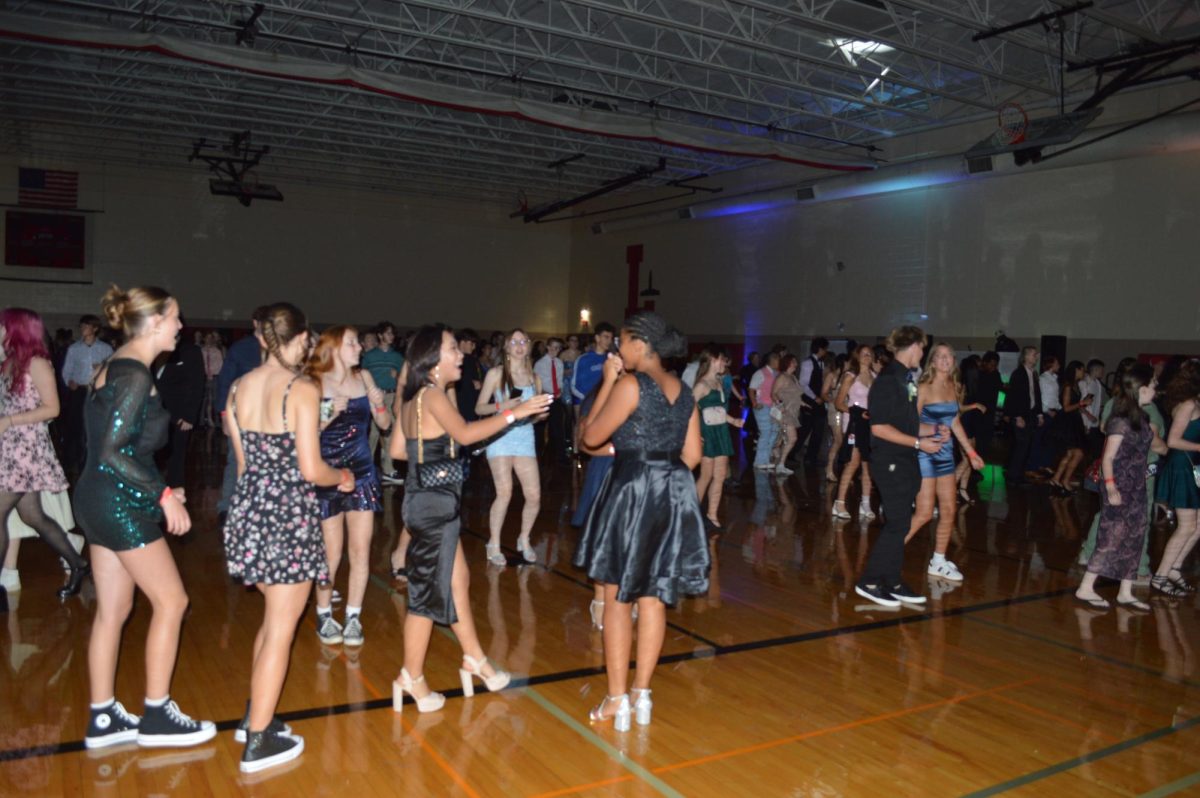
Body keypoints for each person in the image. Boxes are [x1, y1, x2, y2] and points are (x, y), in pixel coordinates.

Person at [73, 285, 216, 750]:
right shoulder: (133, 374)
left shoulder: (115, 367)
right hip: (119, 499)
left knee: (114, 610)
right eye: (175, 318)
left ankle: (102, 717)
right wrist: (163, 496)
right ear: (154, 322)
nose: (181, 326)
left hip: (100, 495)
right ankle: (157, 714)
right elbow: (114, 451)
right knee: (172, 602)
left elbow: (113, 447)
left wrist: (157, 486)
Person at [389, 325, 551, 713]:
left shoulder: (416, 398)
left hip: (427, 502)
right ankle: (410, 677)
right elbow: (464, 435)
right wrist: (515, 412)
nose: (460, 354)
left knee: (458, 580)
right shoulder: (431, 394)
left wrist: (429, 450)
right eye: (451, 349)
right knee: (427, 596)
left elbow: (397, 449)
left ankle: (474, 658)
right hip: (433, 506)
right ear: (432, 359)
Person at [224, 302, 352, 772]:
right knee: (282, 628)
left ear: (262, 338)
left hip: (249, 512)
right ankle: (258, 742)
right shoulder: (300, 388)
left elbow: (243, 466)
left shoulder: (238, 388)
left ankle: (254, 716)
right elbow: (310, 469)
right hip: (286, 518)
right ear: (299, 339)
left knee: (272, 620)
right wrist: (341, 476)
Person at [574, 311, 706, 731]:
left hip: (632, 492)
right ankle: (642, 695)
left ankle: (617, 701)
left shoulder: (631, 384)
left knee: (618, 599)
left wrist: (610, 382)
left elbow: (590, 437)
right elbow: (694, 456)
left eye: (624, 342)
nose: (619, 349)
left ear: (641, 345)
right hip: (672, 492)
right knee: (653, 597)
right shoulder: (684, 391)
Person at [0, 308, 90, 605]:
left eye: (3, 325)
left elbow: (53, 409)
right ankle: (77, 563)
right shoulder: (9, 362)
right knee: (32, 515)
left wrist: (9, 421)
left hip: (25, 449)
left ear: (17, 329)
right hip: (10, 448)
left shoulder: (37, 364)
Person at [306, 326, 389, 646]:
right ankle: (325, 613)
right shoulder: (316, 382)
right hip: (328, 474)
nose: (359, 347)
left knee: (360, 550)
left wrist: (379, 404)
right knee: (332, 552)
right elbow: (307, 433)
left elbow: (384, 425)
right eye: (352, 343)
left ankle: (353, 616)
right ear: (335, 348)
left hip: (363, 472)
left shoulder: (365, 377)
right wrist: (330, 410)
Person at [854, 326, 948, 608]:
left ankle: (892, 581)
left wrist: (932, 430)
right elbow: (880, 428)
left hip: (905, 460)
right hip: (890, 462)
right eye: (923, 347)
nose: (924, 352)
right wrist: (920, 444)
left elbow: (906, 425)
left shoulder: (905, 379)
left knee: (901, 522)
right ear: (914, 346)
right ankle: (869, 581)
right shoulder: (888, 380)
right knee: (897, 523)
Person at [1075, 365, 1167, 610]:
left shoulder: (1143, 418)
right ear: (1143, 388)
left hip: (1137, 484)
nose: (1156, 389)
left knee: (1135, 537)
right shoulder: (1121, 421)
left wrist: (1165, 445)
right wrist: (1111, 487)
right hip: (1119, 485)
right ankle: (1086, 587)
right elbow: (1107, 458)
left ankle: (1125, 591)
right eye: (1153, 385)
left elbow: (1158, 446)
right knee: (1111, 537)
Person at [903, 344, 984, 582]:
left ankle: (938, 561)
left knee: (949, 509)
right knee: (925, 513)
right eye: (940, 356)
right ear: (933, 362)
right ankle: (887, 554)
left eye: (949, 355)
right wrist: (934, 430)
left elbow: (955, 422)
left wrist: (971, 453)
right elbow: (909, 425)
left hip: (946, 454)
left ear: (954, 360)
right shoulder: (924, 388)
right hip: (925, 453)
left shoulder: (954, 386)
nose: (945, 359)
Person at [476, 329, 544, 565]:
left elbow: (533, 415)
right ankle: (493, 543)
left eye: (523, 341)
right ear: (506, 347)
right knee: (504, 492)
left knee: (534, 495)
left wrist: (539, 415)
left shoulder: (534, 377)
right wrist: (501, 405)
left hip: (525, 437)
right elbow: (479, 408)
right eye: (514, 341)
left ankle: (523, 539)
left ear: (528, 346)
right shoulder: (496, 374)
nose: (519, 345)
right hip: (501, 437)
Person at [1152, 360, 1200, 597]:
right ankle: (1160, 576)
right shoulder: (1188, 404)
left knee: (1198, 525)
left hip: (1193, 466)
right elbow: (1172, 441)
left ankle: (1174, 568)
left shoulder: (1194, 402)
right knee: (1186, 526)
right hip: (1182, 467)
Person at [215, 308, 269, 517]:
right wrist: (224, 415)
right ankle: (227, 507)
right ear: (255, 323)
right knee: (236, 459)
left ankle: (258, 507)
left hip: (269, 415)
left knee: (265, 462)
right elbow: (225, 382)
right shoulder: (241, 348)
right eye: (264, 321)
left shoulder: (278, 348)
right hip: (243, 414)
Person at [693, 347, 744, 529]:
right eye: (721, 360)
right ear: (712, 361)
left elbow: (719, 411)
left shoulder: (719, 381)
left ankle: (712, 514)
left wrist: (733, 420)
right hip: (706, 432)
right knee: (706, 475)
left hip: (721, 431)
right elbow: (688, 411)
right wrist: (695, 434)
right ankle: (692, 513)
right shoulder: (701, 385)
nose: (724, 363)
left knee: (720, 475)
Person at [61, 314, 114, 473]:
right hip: (80, 392)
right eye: (81, 326)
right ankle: (72, 460)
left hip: (97, 393)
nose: (83, 329)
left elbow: (113, 371)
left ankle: (92, 460)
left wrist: (103, 370)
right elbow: (66, 371)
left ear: (95, 328)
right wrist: (69, 382)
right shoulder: (74, 348)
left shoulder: (106, 349)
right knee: (75, 427)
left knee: (93, 427)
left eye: (86, 326)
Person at [155, 328, 206, 492]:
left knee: (177, 454)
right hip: (155, 411)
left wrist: (190, 416)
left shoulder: (189, 351)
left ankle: (176, 491)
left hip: (179, 413)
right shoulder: (155, 349)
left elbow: (197, 384)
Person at [832, 345, 876, 521]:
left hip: (868, 424)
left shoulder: (874, 377)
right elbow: (838, 403)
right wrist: (857, 413)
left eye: (870, 354)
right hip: (853, 423)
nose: (867, 356)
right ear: (857, 356)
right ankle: (839, 502)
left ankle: (865, 504)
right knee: (853, 462)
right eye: (864, 353)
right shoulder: (851, 376)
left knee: (868, 464)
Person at [360, 322, 405, 485]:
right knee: (372, 433)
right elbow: (362, 377)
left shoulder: (397, 357)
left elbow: (405, 378)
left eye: (392, 334)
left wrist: (397, 375)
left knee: (390, 433)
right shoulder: (369, 356)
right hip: (375, 397)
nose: (391, 337)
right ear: (380, 335)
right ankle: (367, 468)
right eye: (388, 334)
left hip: (391, 396)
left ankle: (388, 469)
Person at [1048, 361, 1089, 494]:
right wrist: (1082, 403)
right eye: (1082, 370)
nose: (1084, 373)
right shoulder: (1068, 386)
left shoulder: (1075, 385)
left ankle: (1057, 479)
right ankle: (1063, 480)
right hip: (1067, 423)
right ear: (1076, 370)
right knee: (1077, 453)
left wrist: (1082, 405)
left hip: (1073, 421)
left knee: (1071, 454)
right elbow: (1066, 408)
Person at [1004, 346, 1043, 486]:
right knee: (1021, 445)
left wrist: (1039, 414)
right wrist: (1018, 416)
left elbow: (1036, 395)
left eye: (1036, 355)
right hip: (1021, 415)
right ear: (1025, 356)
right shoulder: (1018, 373)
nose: (1036, 357)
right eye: (1033, 354)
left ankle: (1019, 474)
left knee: (1027, 446)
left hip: (1031, 413)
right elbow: (1014, 397)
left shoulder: (1034, 373)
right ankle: (1013, 476)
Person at [533, 337, 567, 465]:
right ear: (547, 347)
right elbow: (536, 383)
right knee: (540, 429)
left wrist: (560, 390)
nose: (555, 350)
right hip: (543, 397)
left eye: (558, 348)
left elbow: (559, 380)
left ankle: (560, 457)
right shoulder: (540, 364)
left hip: (556, 398)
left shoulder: (559, 363)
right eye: (552, 347)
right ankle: (537, 456)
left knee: (558, 428)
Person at [795, 338, 829, 467]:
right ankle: (794, 454)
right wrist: (815, 397)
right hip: (811, 402)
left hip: (818, 402)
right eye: (825, 349)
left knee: (818, 430)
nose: (826, 351)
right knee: (805, 429)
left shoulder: (820, 363)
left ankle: (811, 457)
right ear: (820, 349)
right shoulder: (808, 363)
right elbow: (803, 384)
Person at [770, 354, 803, 475]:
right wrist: (781, 405)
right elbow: (773, 393)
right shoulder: (782, 377)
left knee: (782, 440)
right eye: (793, 361)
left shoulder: (793, 377)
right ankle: (780, 463)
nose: (796, 363)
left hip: (794, 411)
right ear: (788, 363)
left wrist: (804, 404)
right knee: (792, 438)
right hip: (786, 412)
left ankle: (778, 461)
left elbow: (796, 395)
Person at [748, 351, 780, 471]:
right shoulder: (760, 373)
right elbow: (751, 389)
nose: (779, 363)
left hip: (773, 407)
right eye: (778, 360)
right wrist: (755, 403)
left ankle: (765, 459)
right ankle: (759, 461)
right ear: (772, 360)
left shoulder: (776, 374)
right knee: (766, 433)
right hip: (762, 406)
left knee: (775, 432)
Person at [822, 354, 846, 482]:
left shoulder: (848, 376)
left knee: (844, 440)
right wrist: (833, 400)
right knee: (838, 440)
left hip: (846, 411)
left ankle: (841, 469)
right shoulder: (832, 376)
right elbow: (824, 393)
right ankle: (829, 467)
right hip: (836, 410)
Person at [454, 329, 484, 423]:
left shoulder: (472, 360)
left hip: (463, 408)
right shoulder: (469, 360)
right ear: (463, 342)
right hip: (467, 407)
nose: (474, 347)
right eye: (472, 344)